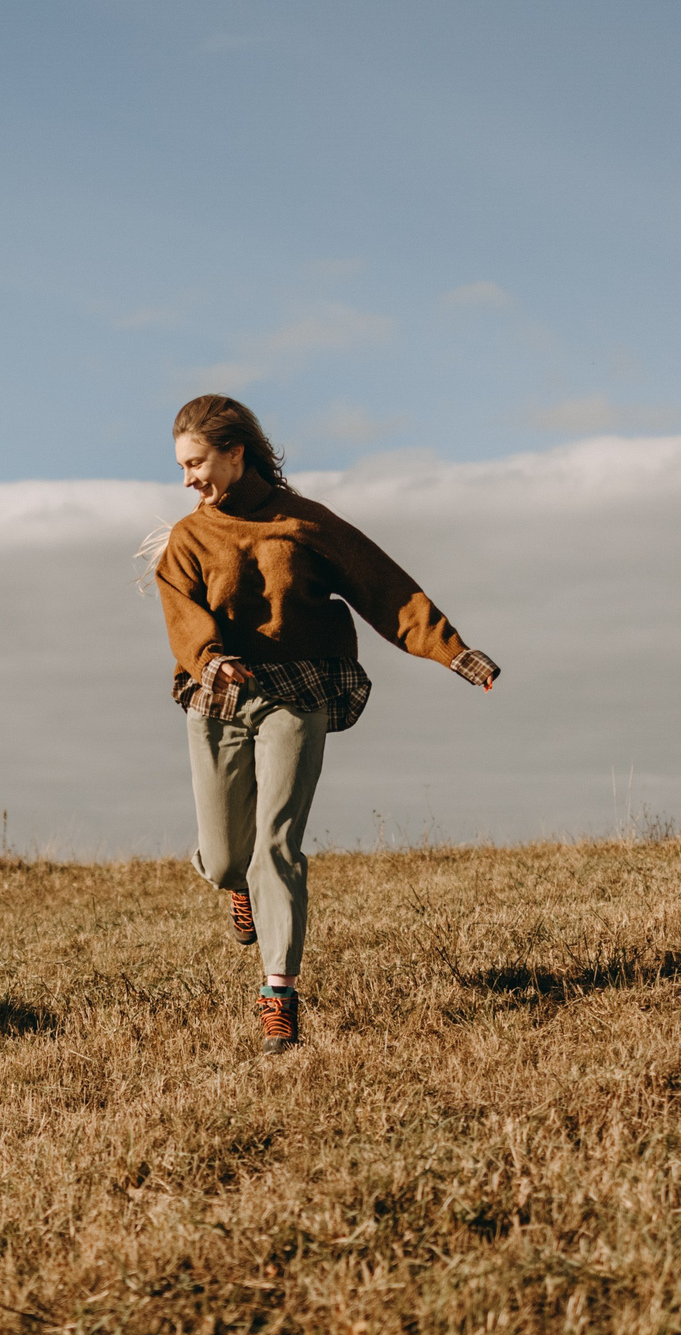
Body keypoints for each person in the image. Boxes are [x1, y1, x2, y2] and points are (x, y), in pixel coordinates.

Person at [152, 394, 498, 1053]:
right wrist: (209, 659)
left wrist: (455, 652)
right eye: (181, 468)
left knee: (276, 843)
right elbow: (180, 618)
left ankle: (277, 992)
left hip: (298, 690)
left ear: (235, 453)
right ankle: (237, 885)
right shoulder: (187, 540)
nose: (188, 478)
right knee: (229, 856)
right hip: (220, 694)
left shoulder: (304, 523)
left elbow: (384, 587)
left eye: (196, 463)